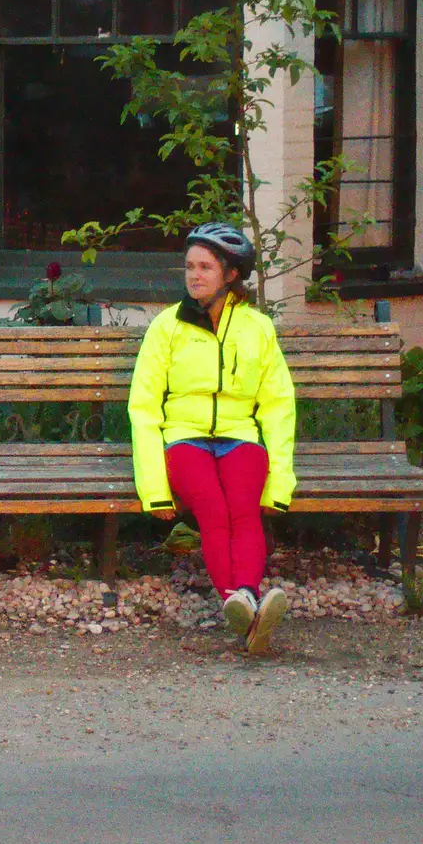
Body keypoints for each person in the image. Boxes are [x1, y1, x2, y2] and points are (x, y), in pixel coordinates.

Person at [128, 222, 297, 655]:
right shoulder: (167, 327)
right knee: (213, 511)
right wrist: (154, 491)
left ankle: (243, 600)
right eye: (189, 267)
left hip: (241, 436)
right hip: (184, 439)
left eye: (205, 267)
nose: (194, 275)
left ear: (231, 274)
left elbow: (278, 405)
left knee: (245, 511)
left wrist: (279, 485)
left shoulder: (257, 328)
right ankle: (243, 602)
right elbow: (144, 407)